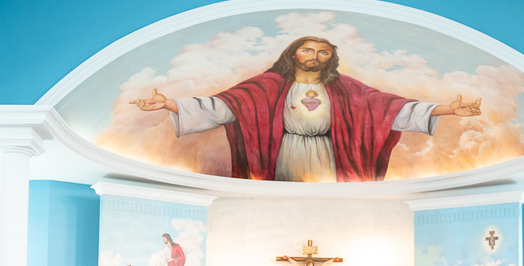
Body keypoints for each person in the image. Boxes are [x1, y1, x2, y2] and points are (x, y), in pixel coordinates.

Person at [131, 35, 481, 183]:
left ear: (332, 58)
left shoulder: (347, 90)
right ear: (293, 54)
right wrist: (170, 104)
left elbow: (390, 109)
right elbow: (223, 107)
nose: (316, 56)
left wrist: (447, 111)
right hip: (285, 153)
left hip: (330, 154)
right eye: (308, 50)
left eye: (324, 52)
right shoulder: (268, 85)